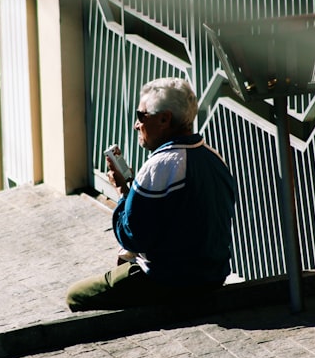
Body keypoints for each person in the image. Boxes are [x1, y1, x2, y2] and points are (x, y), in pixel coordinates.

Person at [66, 77, 238, 311]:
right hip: (213, 276)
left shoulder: (160, 166)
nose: (137, 125)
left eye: (141, 116)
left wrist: (122, 192)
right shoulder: (214, 157)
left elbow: (132, 235)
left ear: (164, 119)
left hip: (170, 282)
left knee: (75, 295)